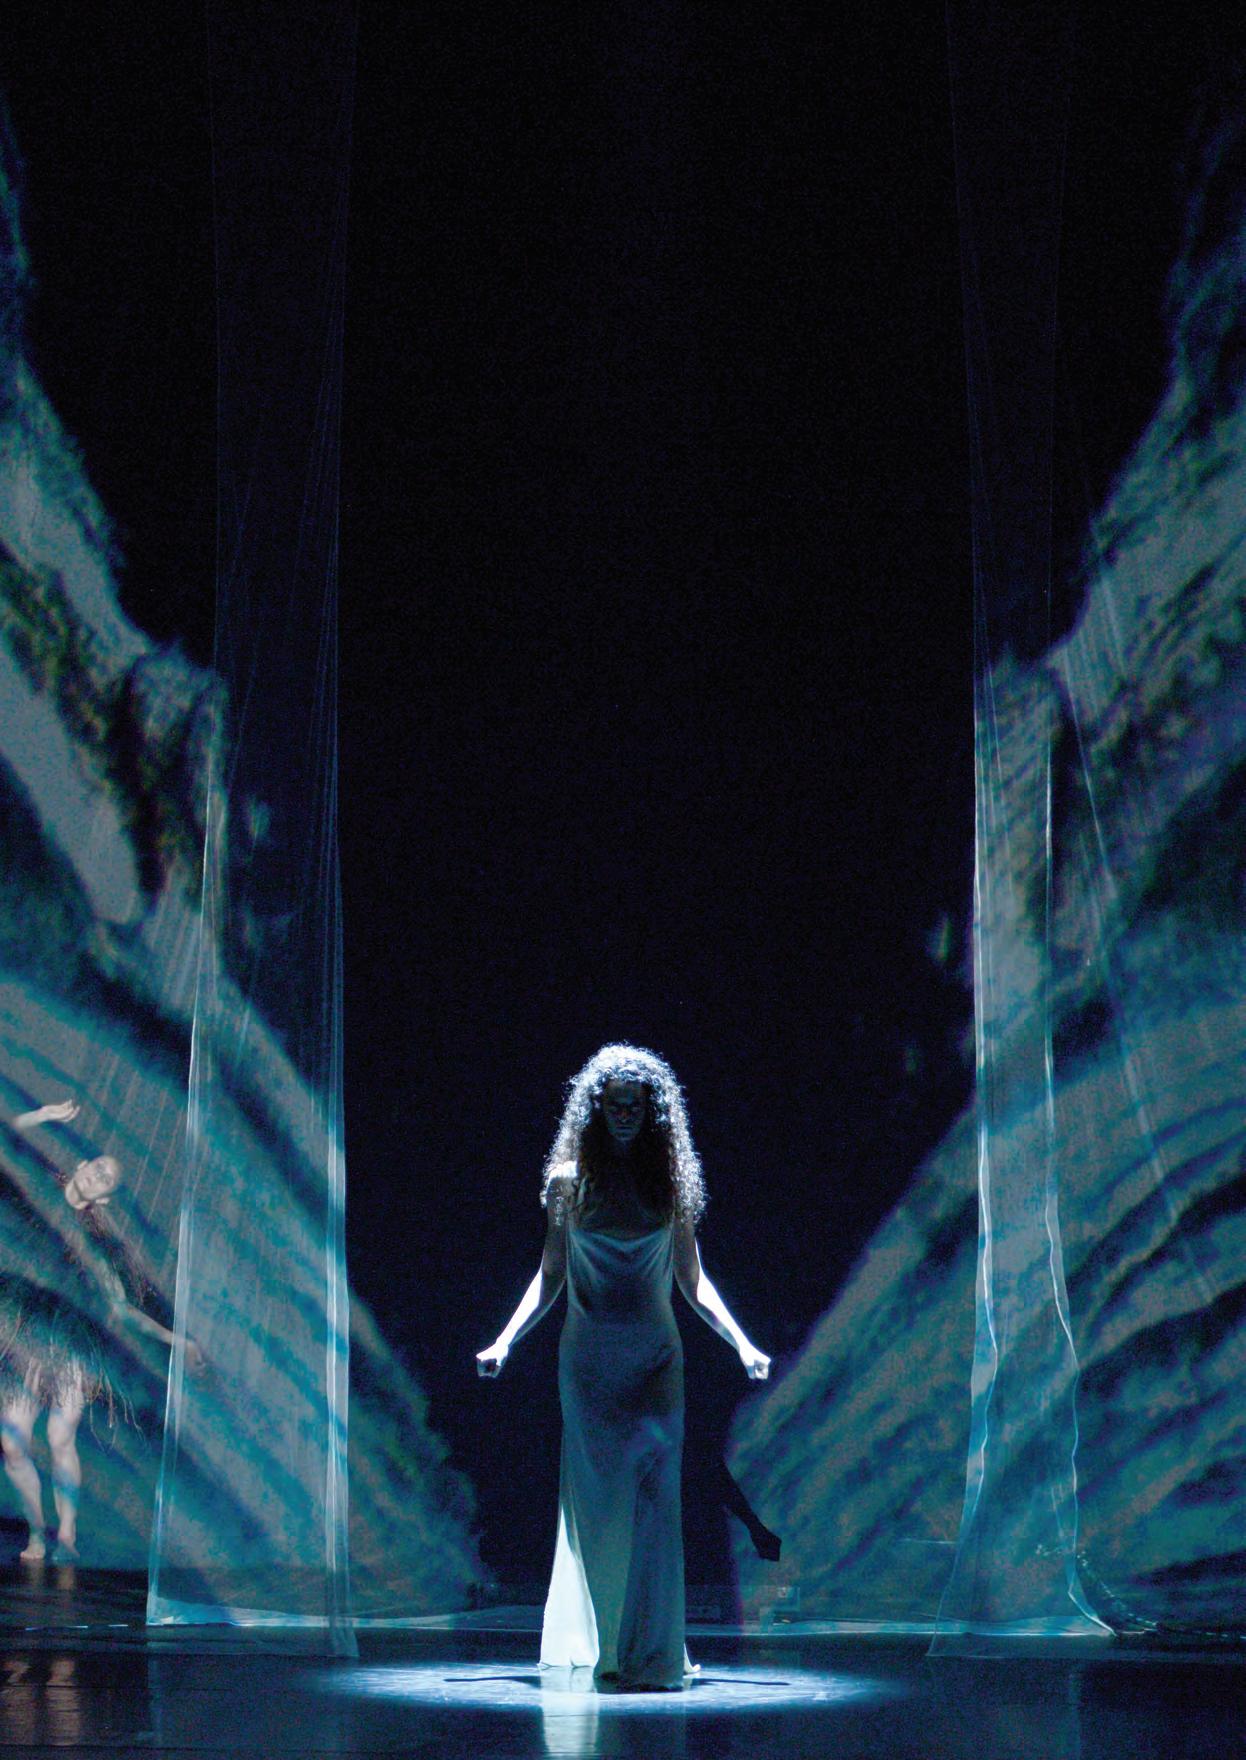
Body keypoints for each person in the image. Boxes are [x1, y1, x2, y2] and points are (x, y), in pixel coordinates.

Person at [477, 1044, 770, 1690]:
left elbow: (692, 1280)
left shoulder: (670, 1183)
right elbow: (550, 1275)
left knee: (655, 1500)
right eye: (615, 1105)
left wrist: (742, 1344)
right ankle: (608, 1643)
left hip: (656, 1362)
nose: (625, 1115)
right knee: (598, 1507)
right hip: (588, 1363)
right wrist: (505, 1341)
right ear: (596, 1109)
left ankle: (652, 1652)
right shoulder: (567, 1182)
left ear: (654, 1111)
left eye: (636, 1105)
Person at [0, 1098, 202, 1562]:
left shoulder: (98, 1239)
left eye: (107, 1178)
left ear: (105, 1196)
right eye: (98, 1167)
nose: (99, 1175)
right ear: (81, 1165)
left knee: (60, 1437)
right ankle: (37, 1532)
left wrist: (175, 1340)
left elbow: (120, 1307)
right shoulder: (41, 1186)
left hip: (70, 1340)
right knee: (12, 1442)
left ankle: (68, 1536)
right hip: (24, 1331)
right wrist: (44, 1117)